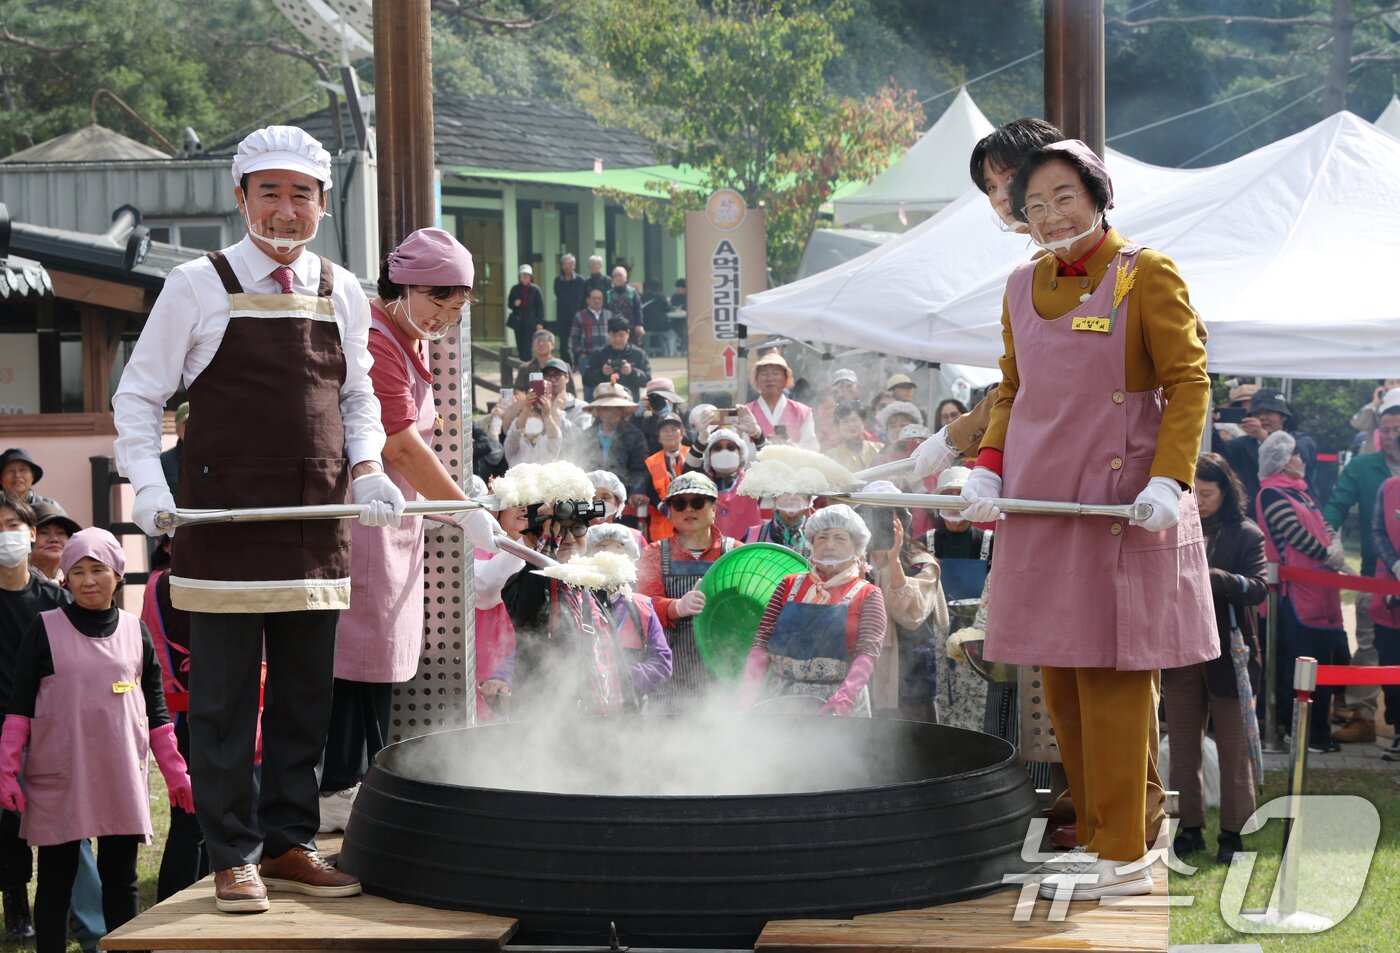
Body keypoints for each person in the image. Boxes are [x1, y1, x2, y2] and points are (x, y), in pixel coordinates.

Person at [111, 125, 401, 911]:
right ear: (240, 199)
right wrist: (148, 482)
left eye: (300, 194)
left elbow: (358, 397)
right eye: (268, 192)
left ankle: (288, 842)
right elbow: (138, 398)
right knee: (225, 702)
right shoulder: (196, 284)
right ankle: (231, 850)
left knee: (308, 695)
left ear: (322, 206)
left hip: (317, 522)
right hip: (223, 522)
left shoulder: (341, 288)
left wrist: (369, 466)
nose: (284, 209)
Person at [959, 139, 1215, 900]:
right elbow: (1011, 390)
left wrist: (1171, 479)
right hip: (1040, 507)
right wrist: (986, 465)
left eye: (1063, 196)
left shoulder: (1147, 272)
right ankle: (1101, 837)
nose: (1048, 215)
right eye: (1032, 205)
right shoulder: (1018, 284)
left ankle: (1126, 847)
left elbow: (1189, 380)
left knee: (1114, 678)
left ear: (1098, 195)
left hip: (1121, 508)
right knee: (1063, 677)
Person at [322, 227, 498, 832]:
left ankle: (361, 781)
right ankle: (336, 787)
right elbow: (398, 442)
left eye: (458, 305)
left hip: (397, 523)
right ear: (400, 286)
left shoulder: (408, 336)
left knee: (378, 660)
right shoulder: (375, 338)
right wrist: (462, 507)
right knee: (354, 656)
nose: (447, 315)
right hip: (365, 519)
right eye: (437, 301)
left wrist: (455, 501)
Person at [0, 528, 194, 953]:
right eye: (78, 571)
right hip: (60, 774)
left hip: (118, 773)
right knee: (55, 880)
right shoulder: (43, 628)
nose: (88, 580)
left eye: (98, 570)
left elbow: (157, 714)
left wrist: (177, 773)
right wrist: (8, 772)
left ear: (118, 575)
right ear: (65, 578)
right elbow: (19, 709)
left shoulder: (135, 632)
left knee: (120, 880)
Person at [1163, 454, 1266, 864]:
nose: (1199, 501)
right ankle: (1188, 829)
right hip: (1181, 649)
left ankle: (1233, 834)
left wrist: (1214, 577)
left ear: (1225, 491)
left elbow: (1258, 588)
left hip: (1231, 656)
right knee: (1183, 744)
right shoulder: (1171, 528)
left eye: (1207, 493)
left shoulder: (1246, 534)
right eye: (1193, 493)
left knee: (1233, 748)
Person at [500, 465, 624, 720]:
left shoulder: (595, 584)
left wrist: (629, 716)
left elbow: (613, 659)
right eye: (557, 531)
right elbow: (530, 605)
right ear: (532, 540)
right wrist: (547, 534)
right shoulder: (519, 584)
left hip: (604, 723)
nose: (567, 538)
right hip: (548, 727)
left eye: (577, 528)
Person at [740, 505, 888, 716]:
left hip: (837, 702)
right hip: (782, 699)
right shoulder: (788, 585)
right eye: (822, 538)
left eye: (840, 538)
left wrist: (844, 698)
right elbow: (762, 642)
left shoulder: (868, 594)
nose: (830, 545)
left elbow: (868, 652)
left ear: (856, 547)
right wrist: (748, 698)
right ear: (811, 543)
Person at [1254, 431, 1349, 754]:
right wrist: (1327, 554)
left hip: (1320, 590)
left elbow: (1324, 525)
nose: (1302, 461)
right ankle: (1302, 733)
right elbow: (1292, 534)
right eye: (1297, 455)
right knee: (1300, 668)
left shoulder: (1303, 493)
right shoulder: (1271, 494)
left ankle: (1318, 733)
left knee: (1321, 663)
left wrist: (1334, 543)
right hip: (1295, 596)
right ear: (1281, 459)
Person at [1321, 393, 1400, 744]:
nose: (1393, 435)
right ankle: (1364, 715)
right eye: (1386, 429)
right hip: (1377, 573)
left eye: (1398, 428)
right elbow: (1334, 508)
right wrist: (1329, 538)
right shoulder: (1362, 467)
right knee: (1369, 645)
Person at [636, 472, 741, 713]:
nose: (688, 509)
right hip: (669, 680)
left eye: (698, 502)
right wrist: (677, 607)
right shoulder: (654, 553)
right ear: (670, 511)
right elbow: (645, 605)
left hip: (722, 675)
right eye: (680, 504)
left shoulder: (734, 552)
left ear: (714, 508)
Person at [858, 485, 947, 721]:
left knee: (917, 746)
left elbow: (911, 615)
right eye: (871, 514)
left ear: (902, 519)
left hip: (911, 679)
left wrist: (893, 561)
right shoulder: (853, 563)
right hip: (864, 674)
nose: (878, 522)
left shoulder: (922, 563)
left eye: (887, 514)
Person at [584, 525, 674, 708]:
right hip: (585, 707)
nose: (610, 553)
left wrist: (621, 678)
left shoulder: (642, 607)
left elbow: (662, 663)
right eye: (601, 547)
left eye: (618, 548)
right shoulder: (578, 601)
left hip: (630, 712)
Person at [471, 487, 529, 724]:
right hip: (484, 666)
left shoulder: (548, 548)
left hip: (521, 661)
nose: (527, 509)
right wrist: (529, 541)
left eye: (535, 504)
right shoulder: (477, 546)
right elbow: (485, 588)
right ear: (496, 511)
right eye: (518, 501)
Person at [1213, 390, 1320, 512]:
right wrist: (1209, 428)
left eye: (1269, 412)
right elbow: (1219, 453)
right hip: (1256, 518)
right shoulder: (1242, 445)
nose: (1263, 417)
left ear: (1284, 416)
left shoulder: (1303, 440)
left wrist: (1263, 436)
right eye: (1257, 413)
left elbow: (1297, 452)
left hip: (1296, 516)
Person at [570, 383, 649, 503]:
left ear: (623, 411)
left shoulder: (635, 435)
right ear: (598, 410)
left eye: (617, 407)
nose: (612, 412)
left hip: (624, 497)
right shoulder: (585, 436)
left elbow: (639, 469)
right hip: (591, 496)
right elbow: (578, 467)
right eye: (607, 408)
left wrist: (636, 491)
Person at [1369, 470, 1400, 761]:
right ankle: (1398, 729)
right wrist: (1396, 564)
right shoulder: (1389, 487)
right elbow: (1377, 531)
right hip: (1392, 595)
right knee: (1391, 666)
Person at [690, 424, 763, 539]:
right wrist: (699, 443)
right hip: (712, 552)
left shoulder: (752, 481)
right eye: (718, 448)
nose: (725, 452)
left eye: (730, 447)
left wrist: (758, 435)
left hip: (749, 551)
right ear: (709, 455)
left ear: (740, 453)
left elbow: (771, 465)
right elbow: (687, 473)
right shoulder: (701, 484)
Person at [746, 353, 817, 449]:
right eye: (764, 373)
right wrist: (763, 444)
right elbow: (739, 450)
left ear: (785, 379)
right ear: (757, 379)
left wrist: (789, 446)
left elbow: (812, 450)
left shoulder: (802, 412)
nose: (770, 378)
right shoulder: (746, 413)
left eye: (775, 373)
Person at [643, 413, 689, 542]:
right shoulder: (651, 462)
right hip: (662, 523)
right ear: (659, 437)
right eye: (665, 430)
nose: (670, 433)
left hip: (691, 518)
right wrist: (661, 506)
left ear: (682, 433)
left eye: (674, 429)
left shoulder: (693, 456)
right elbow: (649, 490)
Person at [582, 315, 651, 397]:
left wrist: (632, 372)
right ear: (608, 334)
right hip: (605, 401)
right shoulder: (599, 354)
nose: (617, 339)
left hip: (630, 402)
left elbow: (647, 381)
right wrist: (602, 372)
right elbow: (586, 381)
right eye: (614, 335)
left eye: (621, 335)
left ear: (628, 333)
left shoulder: (638, 354)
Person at [586, 469, 646, 552]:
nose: (598, 503)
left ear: (618, 503)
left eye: (605, 498)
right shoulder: (574, 538)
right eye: (592, 498)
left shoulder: (634, 537)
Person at [744, 494, 813, 555]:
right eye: (786, 491)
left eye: (799, 491)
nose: (792, 496)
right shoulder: (753, 534)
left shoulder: (819, 536)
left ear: (809, 499)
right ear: (775, 498)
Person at [513, 329, 576, 396]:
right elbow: (517, 391)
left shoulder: (563, 366)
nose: (541, 344)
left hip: (559, 404)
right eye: (537, 341)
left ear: (552, 345)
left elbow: (572, 393)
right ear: (533, 345)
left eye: (545, 341)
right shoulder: (525, 368)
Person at [29, 504, 79, 584]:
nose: (54, 539)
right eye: (44, 532)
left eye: (60, 533)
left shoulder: (77, 583)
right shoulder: (14, 584)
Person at [637, 378, 689, 455]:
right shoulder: (646, 421)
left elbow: (690, 441)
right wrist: (635, 417)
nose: (659, 403)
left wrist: (671, 418)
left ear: (672, 399)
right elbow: (636, 445)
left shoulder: (685, 414)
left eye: (664, 398)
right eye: (655, 399)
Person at [828, 401, 882, 473]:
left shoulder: (879, 449)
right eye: (846, 421)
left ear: (863, 422)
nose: (851, 425)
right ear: (838, 426)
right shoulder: (832, 456)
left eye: (854, 420)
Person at [570, 288, 613, 376]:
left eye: (599, 298)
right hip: (587, 357)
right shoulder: (580, 316)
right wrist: (580, 353)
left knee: (607, 387)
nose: (597, 301)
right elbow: (574, 336)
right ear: (588, 300)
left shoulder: (609, 315)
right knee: (589, 387)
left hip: (607, 357)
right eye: (594, 298)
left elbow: (613, 334)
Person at [506, 264, 545, 361]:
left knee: (528, 346)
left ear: (530, 277)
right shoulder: (515, 289)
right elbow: (509, 304)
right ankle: (522, 367)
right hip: (518, 322)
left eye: (527, 276)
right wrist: (514, 303)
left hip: (531, 322)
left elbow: (540, 307)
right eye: (523, 276)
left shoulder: (535, 290)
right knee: (520, 346)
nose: (525, 278)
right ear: (520, 277)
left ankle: (527, 366)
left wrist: (539, 322)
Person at [1350, 378, 1400, 454]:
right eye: (1391, 383)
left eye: (1399, 382)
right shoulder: (1376, 408)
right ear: (1383, 387)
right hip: (1376, 457)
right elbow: (1359, 424)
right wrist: (1374, 403)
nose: (1396, 386)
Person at [815, 369, 861, 450]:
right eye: (839, 386)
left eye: (849, 385)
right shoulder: (828, 411)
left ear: (857, 387)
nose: (844, 389)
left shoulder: (868, 411)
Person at [553, 254, 585, 364]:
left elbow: (583, 298)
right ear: (562, 266)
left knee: (577, 341)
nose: (567, 266)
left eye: (570, 264)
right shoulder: (558, 280)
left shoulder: (580, 280)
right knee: (563, 343)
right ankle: (566, 365)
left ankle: (577, 364)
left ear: (574, 265)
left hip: (577, 316)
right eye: (565, 264)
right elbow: (559, 295)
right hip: (563, 316)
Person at [607, 266, 645, 346]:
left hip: (630, 329)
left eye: (620, 276)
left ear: (626, 278)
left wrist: (639, 325)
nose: (618, 278)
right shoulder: (609, 294)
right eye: (615, 276)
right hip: (614, 329)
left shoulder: (632, 292)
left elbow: (638, 310)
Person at [160, 402, 189, 498]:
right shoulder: (163, 461)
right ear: (177, 429)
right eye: (186, 424)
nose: (192, 428)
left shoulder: (214, 459)